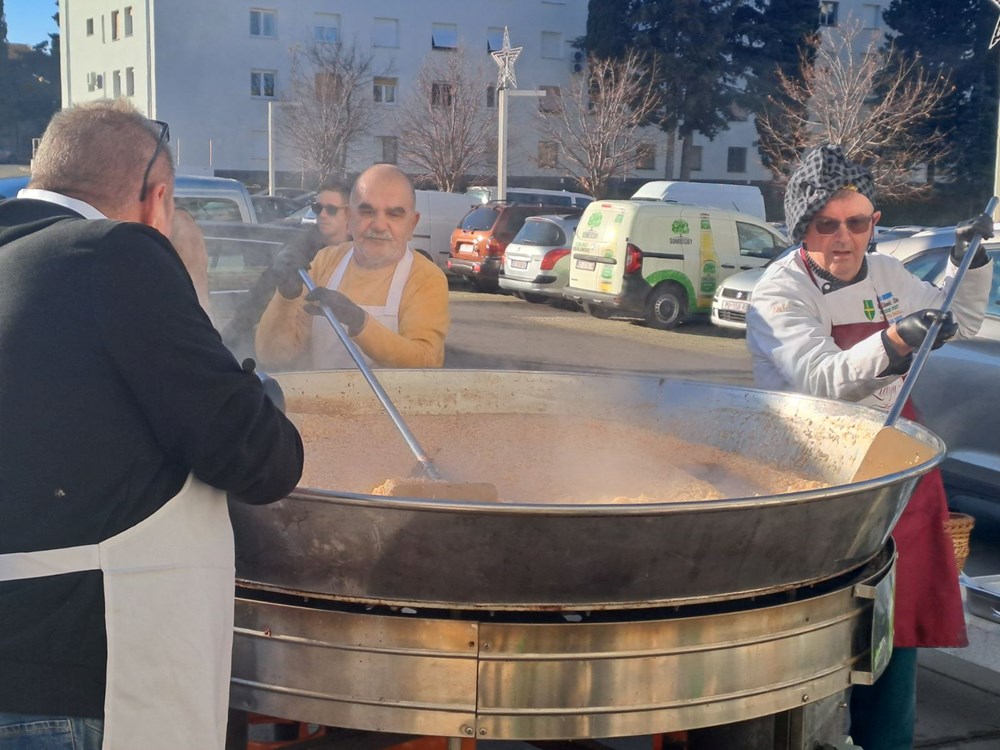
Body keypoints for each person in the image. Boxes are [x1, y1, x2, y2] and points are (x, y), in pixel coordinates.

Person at [0, 100, 303, 750]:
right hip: (78, 686)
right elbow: (258, 455)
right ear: (157, 198)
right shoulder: (113, 252)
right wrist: (187, 279)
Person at [746, 144, 993, 750]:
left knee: (895, 622)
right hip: (816, 474)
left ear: (874, 222)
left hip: (896, 468)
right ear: (801, 228)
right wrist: (897, 338)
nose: (844, 238)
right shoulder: (779, 293)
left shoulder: (886, 275)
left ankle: (887, 739)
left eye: (857, 222)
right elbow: (820, 380)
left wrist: (970, 264)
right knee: (818, 632)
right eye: (825, 224)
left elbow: (958, 319)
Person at [255, 163, 449, 370]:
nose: (379, 225)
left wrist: (359, 321)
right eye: (367, 212)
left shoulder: (425, 278)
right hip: (322, 391)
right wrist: (285, 297)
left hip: (389, 393)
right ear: (349, 217)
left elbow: (425, 363)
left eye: (394, 214)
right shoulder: (324, 262)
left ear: (412, 224)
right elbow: (272, 355)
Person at [221, 180, 352, 360]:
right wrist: (230, 338)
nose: (322, 215)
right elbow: (259, 296)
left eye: (331, 209)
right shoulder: (298, 250)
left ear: (349, 213)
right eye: (317, 208)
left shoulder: (361, 254)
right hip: (296, 356)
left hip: (349, 352)